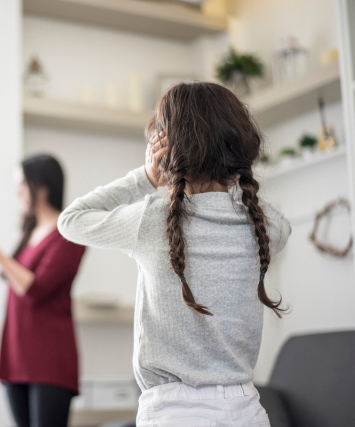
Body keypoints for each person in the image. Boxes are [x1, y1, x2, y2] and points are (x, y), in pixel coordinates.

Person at [57, 82, 291, 427]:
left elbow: (70, 220)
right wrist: (239, 179)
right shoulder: (263, 226)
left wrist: (146, 178)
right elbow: (279, 223)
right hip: (246, 411)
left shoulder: (151, 218)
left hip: (173, 414)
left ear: (168, 149)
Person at [0, 154, 86, 427]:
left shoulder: (68, 232)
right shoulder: (30, 232)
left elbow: (36, 289)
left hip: (49, 358)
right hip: (18, 351)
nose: (18, 192)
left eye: (22, 184)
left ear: (42, 187)